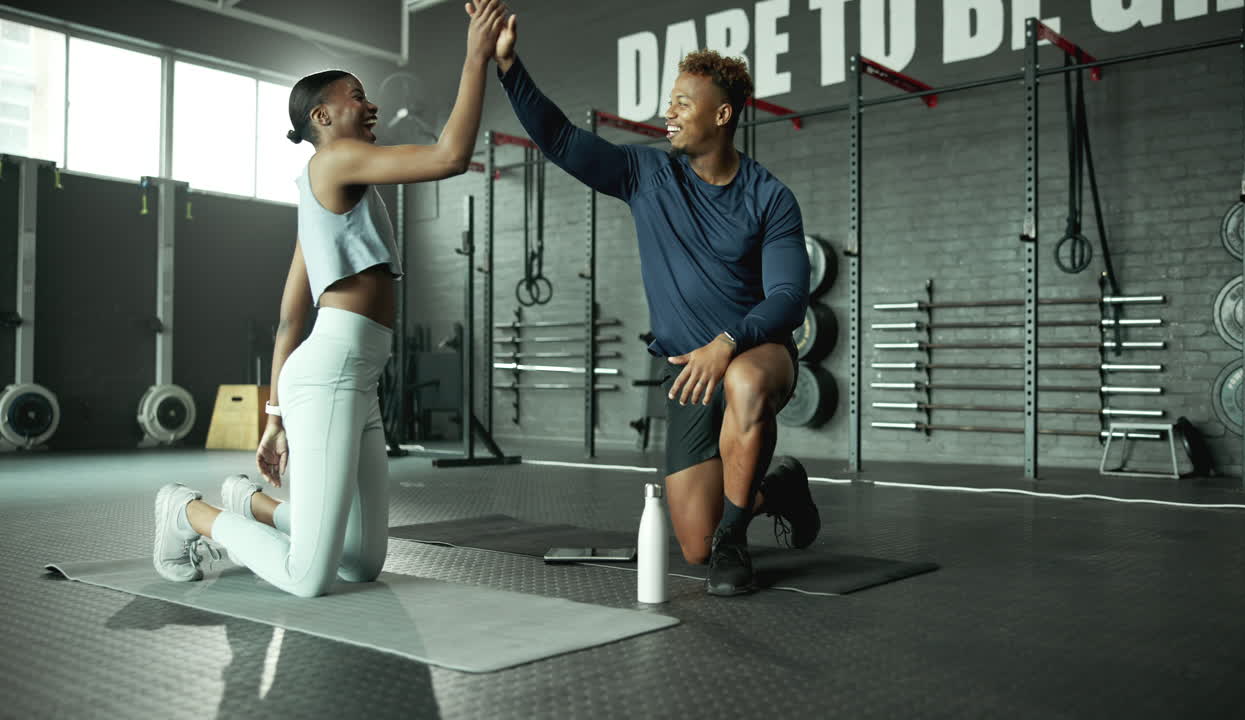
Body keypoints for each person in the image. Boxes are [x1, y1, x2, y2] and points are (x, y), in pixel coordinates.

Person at [151, 0, 514, 597]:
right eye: (357, 95)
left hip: (350, 376)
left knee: (361, 562)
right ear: (322, 115)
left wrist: (274, 418)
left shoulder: (332, 192)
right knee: (309, 577)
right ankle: (187, 513)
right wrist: (475, 56)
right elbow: (450, 157)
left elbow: (291, 316)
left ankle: (251, 504)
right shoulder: (334, 159)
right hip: (331, 373)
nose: (370, 105)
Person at [493, 19, 820, 596]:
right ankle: (779, 491)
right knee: (692, 545)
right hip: (687, 374)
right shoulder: (645, 174)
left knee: (744, 383)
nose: (669, 114)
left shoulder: (769, 197)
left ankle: (735, 541)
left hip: (756, 356)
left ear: (722, 115)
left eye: (683, 104)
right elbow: (562, 141)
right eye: (670, 102)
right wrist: (508, 68)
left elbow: (789, 299)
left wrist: (727, 343)